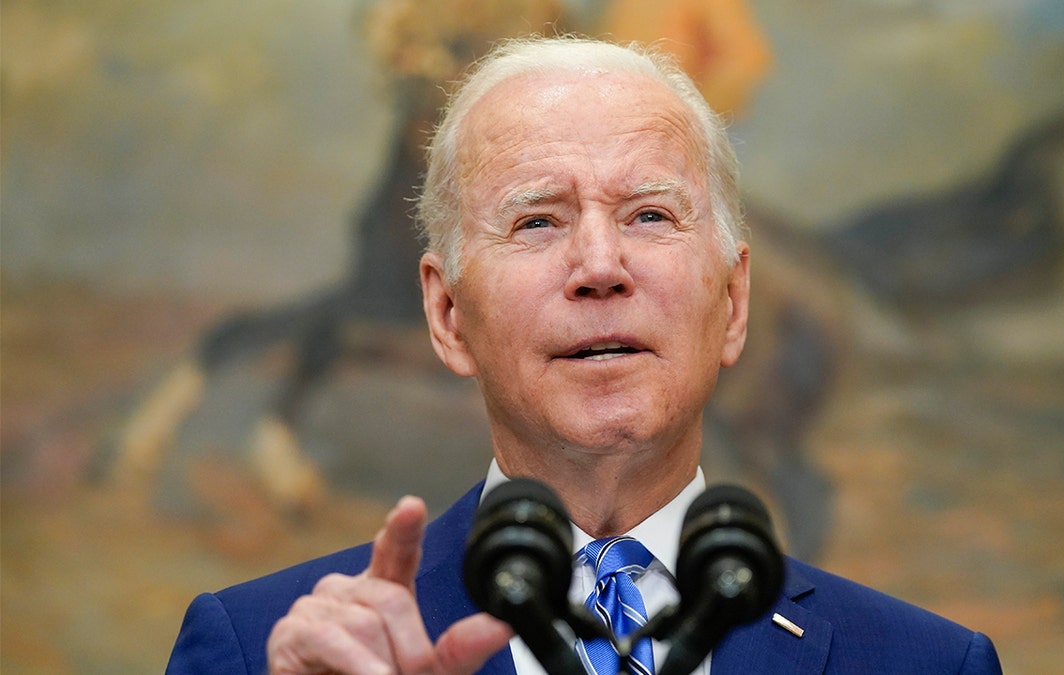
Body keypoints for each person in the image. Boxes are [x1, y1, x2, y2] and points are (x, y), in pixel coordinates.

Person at [165, 36, 1003, 674]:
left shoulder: (930, 663)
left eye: (648, 215)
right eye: (537, 220)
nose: (600, 267)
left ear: (734, 302)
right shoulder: (260, 651)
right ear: (448, 313)